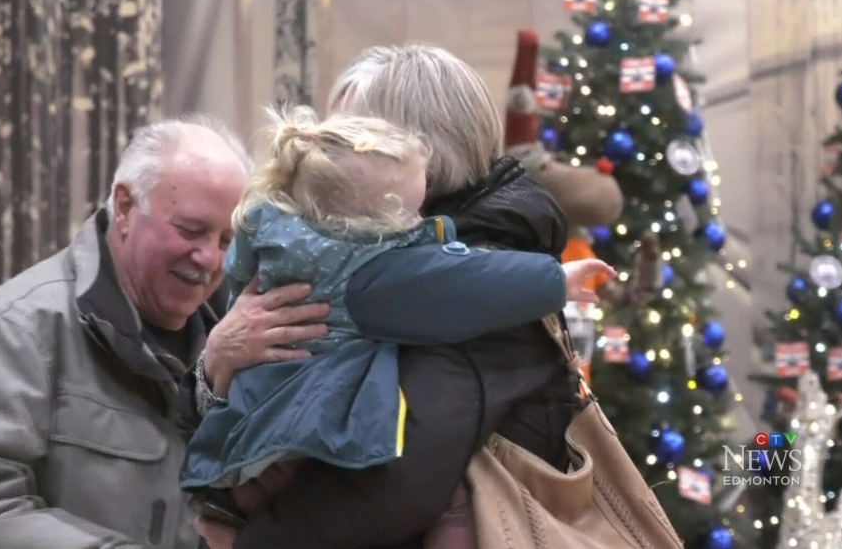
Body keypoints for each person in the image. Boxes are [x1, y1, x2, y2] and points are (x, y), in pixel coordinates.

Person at [193, 43, 593, 549]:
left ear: (415, 158)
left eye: (346, 139)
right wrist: (216, 363)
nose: (318, 157)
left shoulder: (469, 282)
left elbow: (392, 486)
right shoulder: (362, 252)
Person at [0, 114, 330, 549]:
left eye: (226, 241)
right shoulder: (5, 334)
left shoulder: (238, 343)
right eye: (190, 230)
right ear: (124, 207)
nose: (209, 260)